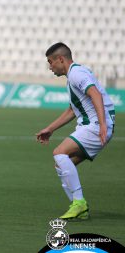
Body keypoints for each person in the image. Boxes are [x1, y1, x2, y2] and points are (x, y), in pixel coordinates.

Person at [36, 42, 115, 220]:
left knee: (59, 153)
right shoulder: (73, 75)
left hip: (96, 125)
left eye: (50, 62)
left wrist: (102, 124)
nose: (50, 67)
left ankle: (79, 203)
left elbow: (95, 93)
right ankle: (79, 207)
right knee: (61, 164)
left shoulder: (76, 74)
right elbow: (72, 110)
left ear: (61, 59)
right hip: (94, 124)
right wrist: (50, 129)